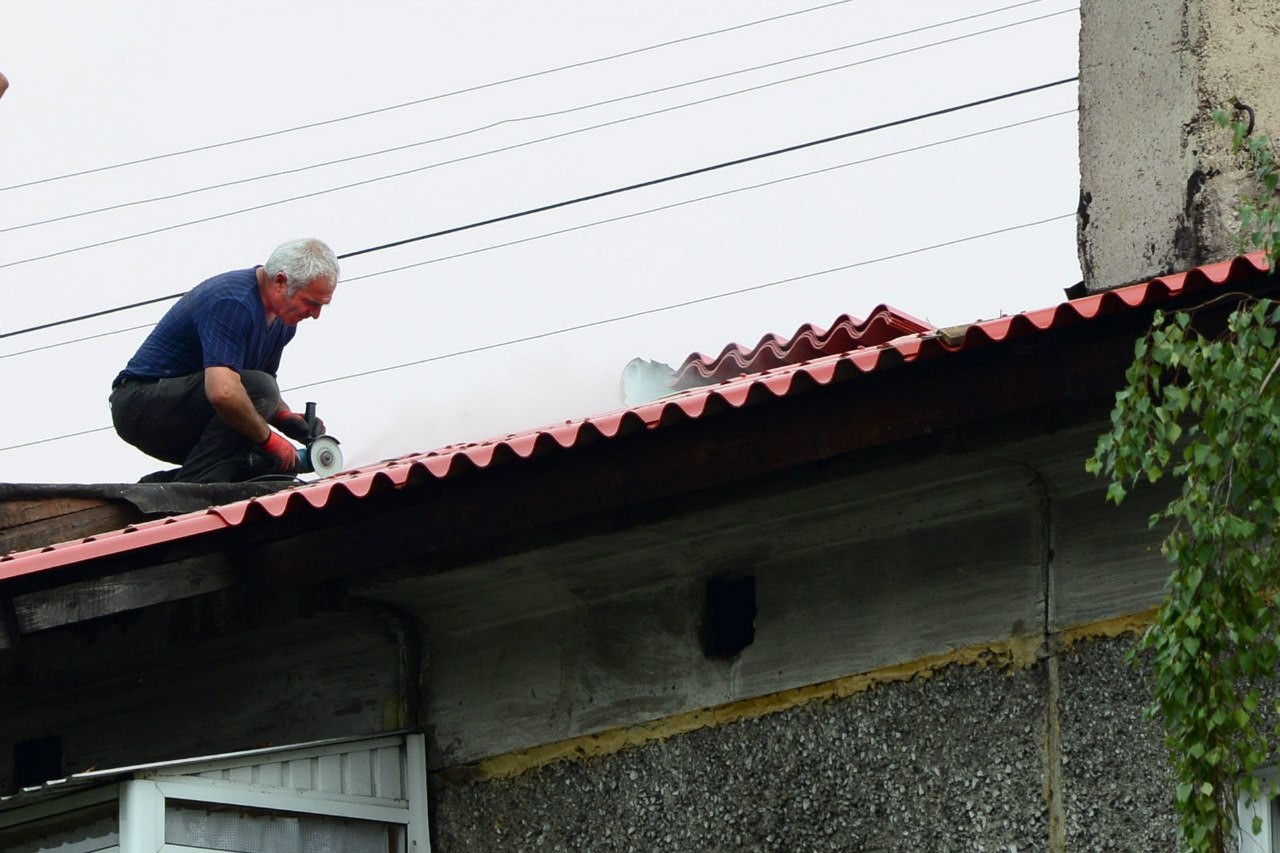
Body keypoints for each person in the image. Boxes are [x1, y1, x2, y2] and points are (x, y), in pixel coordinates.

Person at [110, 238, 339, 483]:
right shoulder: (233, 301)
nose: (315, 315)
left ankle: (165, 488)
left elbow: (254, 387)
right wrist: (271, 439)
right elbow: (225, 392)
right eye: (312, 303)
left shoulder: (283, 322)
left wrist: (284, 418)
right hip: (140, 406)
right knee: (260, 398)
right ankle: (191, 491)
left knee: (272, 466)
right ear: (281, 282)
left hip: (191, 408)